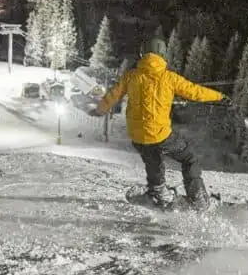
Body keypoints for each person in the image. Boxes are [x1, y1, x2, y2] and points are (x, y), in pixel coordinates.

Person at [89, 38, 227, 209]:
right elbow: (195, 92)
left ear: (142, 54)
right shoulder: (169, 78)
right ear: (163, 54)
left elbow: (112, 95)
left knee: (152, 157)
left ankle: (158, 190)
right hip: (160, 134)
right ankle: (197, 197)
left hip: (137, 135)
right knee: (188, 158)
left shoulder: (131, 76)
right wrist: (220, 96)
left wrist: (98, 111)